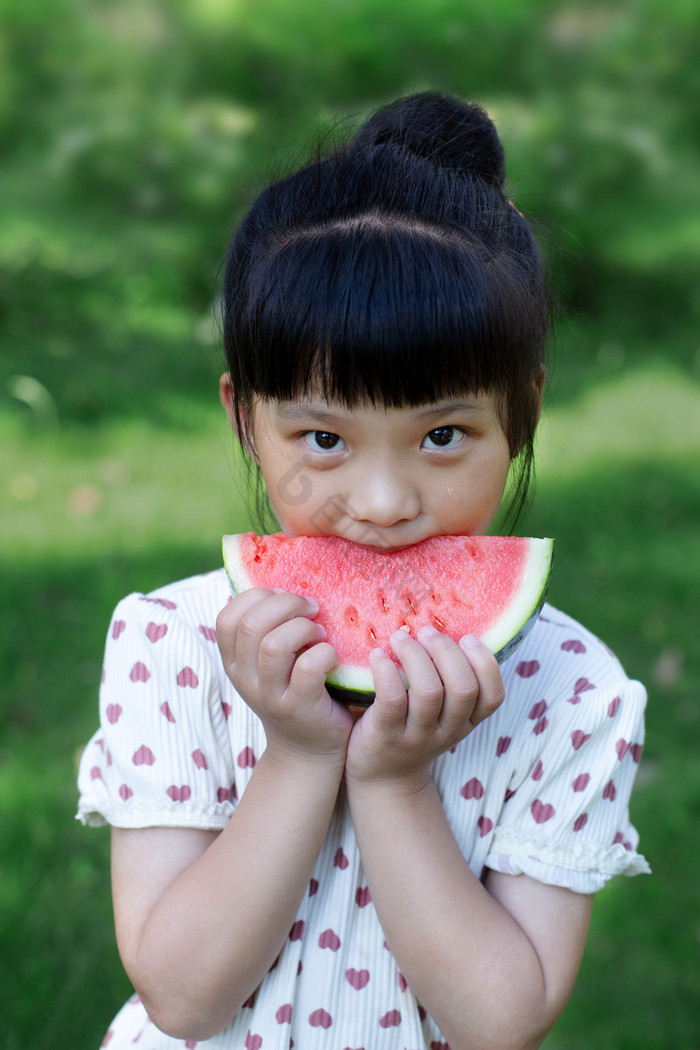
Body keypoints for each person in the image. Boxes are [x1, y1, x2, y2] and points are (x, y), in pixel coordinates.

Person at [77, 91, 649, 1050]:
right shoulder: (169, 647)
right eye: (324, 437)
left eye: (442, 434)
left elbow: (499, 1022)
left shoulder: (570, 692)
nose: (384, 501)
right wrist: (299, 756)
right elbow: (182, 999)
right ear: (242, 419)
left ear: (525, 414)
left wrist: (395, 786)